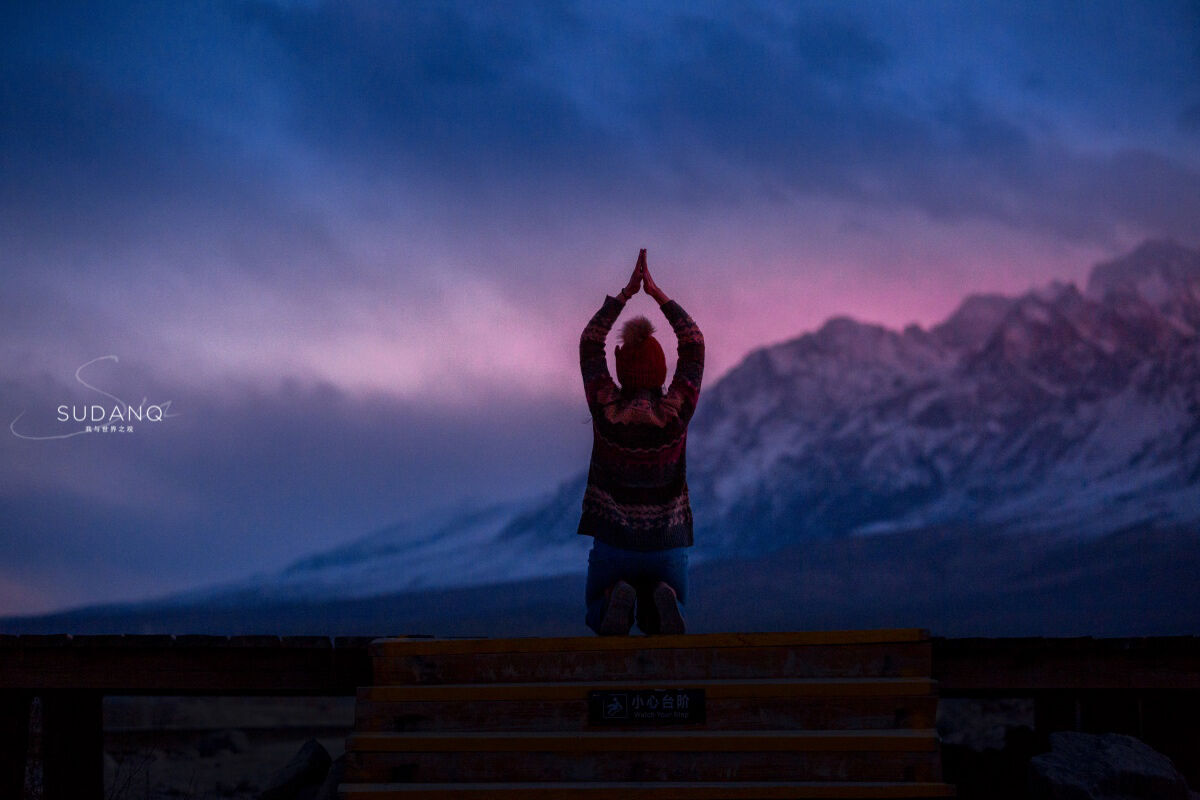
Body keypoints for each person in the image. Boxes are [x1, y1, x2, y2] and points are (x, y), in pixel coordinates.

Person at [578, 249, 705, 635]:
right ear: (661, 369)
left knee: (596, 611)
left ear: (621, 369)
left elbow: (589, 343)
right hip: (666, 544)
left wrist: (626, 294)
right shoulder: (674, 414)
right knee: (667, 614)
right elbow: (694, 344)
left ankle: (617, 594)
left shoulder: (606, 410)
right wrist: (658, 295)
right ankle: (662, 596)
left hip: (614, 542)